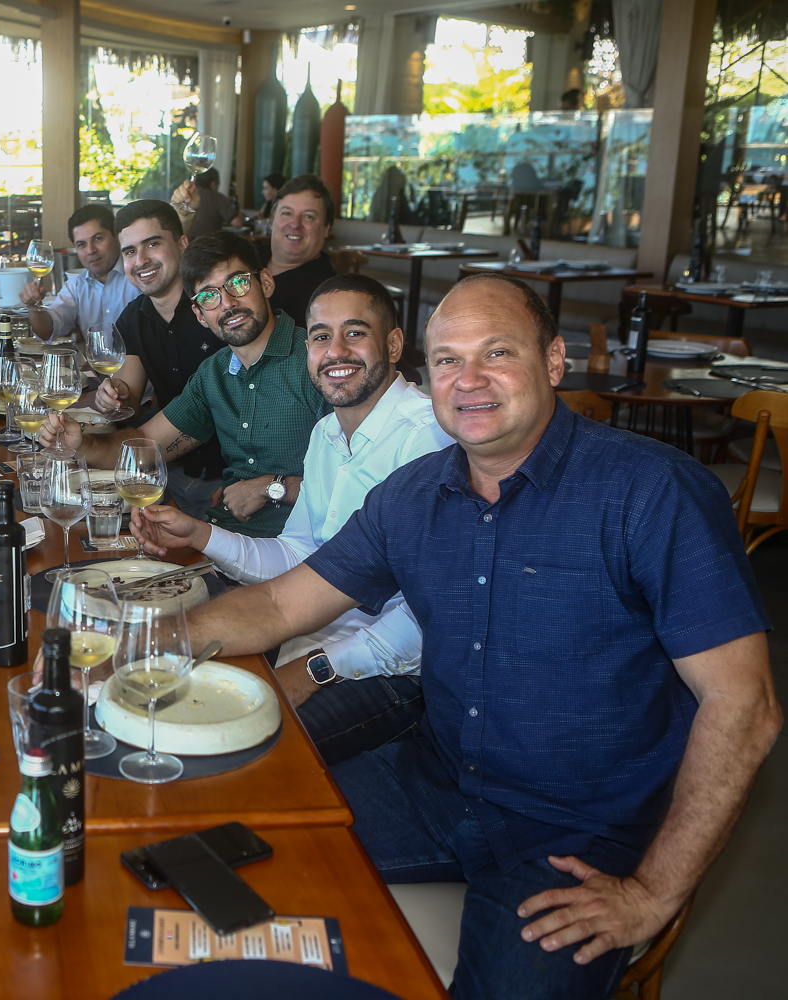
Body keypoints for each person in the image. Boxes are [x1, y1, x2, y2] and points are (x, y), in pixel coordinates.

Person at [185, 272, 782, 999]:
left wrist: (654, 891)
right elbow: (282, 604)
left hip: (574, 837)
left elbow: (743, 705)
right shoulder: (413, 496)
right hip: (432, 787)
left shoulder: (651, 491)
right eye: (447, 360)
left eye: (496, 353)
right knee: (207, 861)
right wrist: (154, 642)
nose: (468, 380)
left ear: (553, 361)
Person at [132, 274, 453, 764]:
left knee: (231, 752)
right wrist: (200, 534)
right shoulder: (327, 434)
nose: (336, 350)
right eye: (321, 336)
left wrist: (314, 669)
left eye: (355, 332)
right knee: (162, 704)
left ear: (392, 344)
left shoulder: (427, 439)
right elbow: (298, 556)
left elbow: (428, 619)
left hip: (393, 673)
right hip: (305, 638)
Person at [42, 230, 329, 539]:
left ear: (266, 283)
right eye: (208, 296)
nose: (228, 303)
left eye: (238, 283)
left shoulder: (319, 362)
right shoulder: (215, 373)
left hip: (301, 551)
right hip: (225, 539)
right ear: (200, 315)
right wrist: (81, 444)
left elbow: (359, 486)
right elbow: (145, 442)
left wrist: (273, 487)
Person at [97, 200, 226, 517]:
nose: (140, 260)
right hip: (167, 476)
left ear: (182, 244)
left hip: (227, 480)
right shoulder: (134, 317)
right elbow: (128, 399)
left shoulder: (217, 306)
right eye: (130, 251)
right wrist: (113, 396)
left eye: (152, 244)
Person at [17, 204, 139, 341]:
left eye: (98, 239)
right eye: (81, 245)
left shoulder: (139, 275)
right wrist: (33, 307)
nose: (91, 250)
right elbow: (47, 332)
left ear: (116, 237)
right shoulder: (76, 286)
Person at [265, 174, 340, 329]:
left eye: (308, 216)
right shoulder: (244, 259)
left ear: (326, 228)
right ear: (272, 221)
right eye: (287, 213)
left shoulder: (329, 294)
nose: (295, 224)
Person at [171, 168, 246, 238]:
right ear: (213, 184)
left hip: (187, 243)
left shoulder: (184, 195)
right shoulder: (217, 197)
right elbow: (238, 223)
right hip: (210, 244)